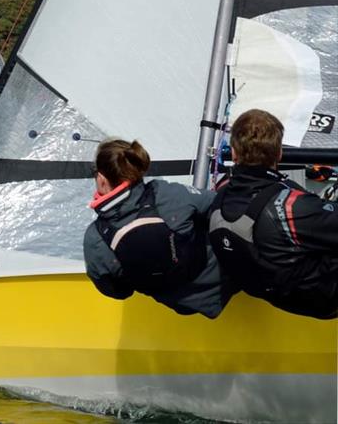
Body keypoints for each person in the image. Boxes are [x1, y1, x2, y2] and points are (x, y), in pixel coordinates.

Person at [209, 109, 338, 319]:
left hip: (275, 294)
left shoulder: (219, 196)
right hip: (322, 299)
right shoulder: (293, 207)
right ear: (279, 153)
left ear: (233, 152)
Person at [83, 139, 234, 319]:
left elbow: (118, 292)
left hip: (181, 305)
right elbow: (216, 204)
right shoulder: (164, 193)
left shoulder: (95, 239)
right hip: (226, 278)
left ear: (101, 179)